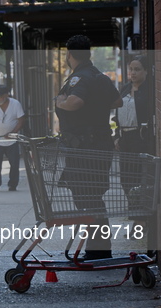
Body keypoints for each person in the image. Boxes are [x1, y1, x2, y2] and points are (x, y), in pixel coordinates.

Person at [55, 34, 122, 261]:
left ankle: (99, 250)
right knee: (93, 197)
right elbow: (116, 101)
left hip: (85, 148)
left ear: (69, 54)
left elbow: (75, 103)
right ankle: (98, 249)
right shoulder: (99, 76)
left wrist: (60, 102)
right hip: (99, 145)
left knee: (87, 198)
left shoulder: (79, 78)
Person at [114, 55, 155, 196]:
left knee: (139, 177)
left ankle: (140, 214)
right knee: (126, 178)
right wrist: (117, 136)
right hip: (125, 139)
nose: (133, 73)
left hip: (141, 138)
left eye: (137, 69)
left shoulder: (150, 90)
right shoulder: (125, 88)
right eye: (131, 69)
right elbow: (117, 115)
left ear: (146, 71)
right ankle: (133, 210)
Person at [0, 84, 26, 192]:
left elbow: (21, 120)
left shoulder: (15, 104)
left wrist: (13, 133)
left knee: (14, 163)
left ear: (6, 95)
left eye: (1, 96)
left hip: (11, 140)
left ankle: (13, 184)